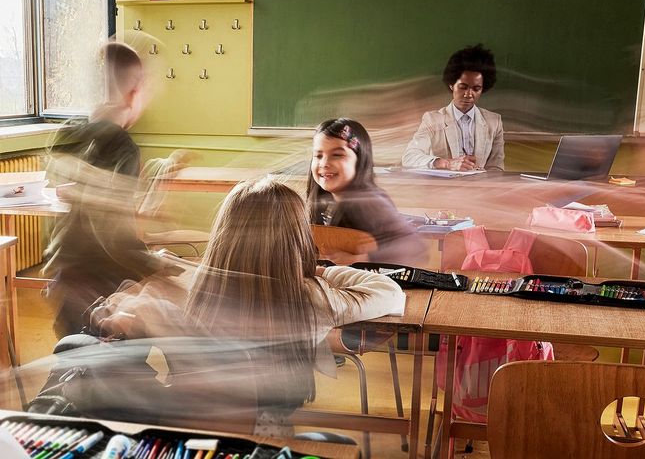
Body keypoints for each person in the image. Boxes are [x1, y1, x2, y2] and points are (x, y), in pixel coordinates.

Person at [84, 178, 405, 436]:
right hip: (264, 430)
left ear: (224, 236)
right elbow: (390, 292)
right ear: (296, 240)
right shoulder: (309, 297)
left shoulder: (190, 285)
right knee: (340, 443)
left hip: (187, 423)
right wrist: (320, 271)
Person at [44, 41, 168, 338]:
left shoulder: (67, 135)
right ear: (135, 94)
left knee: (73, 363)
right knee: (119, 366)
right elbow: (112, 232)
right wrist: (157, 266)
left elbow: (64, 200)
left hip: (65, 276)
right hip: (101, 286)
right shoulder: (124, 148)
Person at [307, 118, 429, 266]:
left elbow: (415, 246)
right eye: (318, 155)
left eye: (337, 155)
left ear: (359, 160)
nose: (324, 163)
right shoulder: (323, 202)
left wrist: (359, 259)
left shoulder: (370, 201)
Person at [402, 44, 505, 171]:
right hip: (443, 189)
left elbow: (496, 167)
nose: (469, 94)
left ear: (483, 88)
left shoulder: (494, 122)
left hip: (481, 188)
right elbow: (409, 157)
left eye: (476, 89)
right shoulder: (432, 120)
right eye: (463, 87)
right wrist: (446, 163)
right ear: (451, 85)